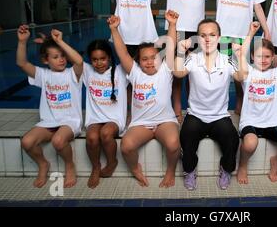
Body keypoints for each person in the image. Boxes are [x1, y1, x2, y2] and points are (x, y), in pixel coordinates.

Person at [108, 10, 180, 188]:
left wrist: (172, 24)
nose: (149, 62)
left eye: (153, 57)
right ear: (138, 62)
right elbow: (123, 53)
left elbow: (170, 46)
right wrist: (114, 30)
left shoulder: (166, 69)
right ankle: (135, 169)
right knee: (126, 146)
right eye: (144, 59)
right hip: (141, 123)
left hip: (165, 121)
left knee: (172, 144)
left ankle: (170, 171)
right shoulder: (135, 73)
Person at [200, 0, 271, 115]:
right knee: (221, 75)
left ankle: (241, 108)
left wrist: (267, 29)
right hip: (223, 35)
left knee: (242, 76)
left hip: (244, 35)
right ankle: (217, 111)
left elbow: (258, 6)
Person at [174, 19, 242, 190]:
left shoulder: (227, 60)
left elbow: (242, 77)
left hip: (219, 116)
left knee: (233, 140)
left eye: (212, 35)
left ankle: (226, 169)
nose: (207, 39)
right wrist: (181, 51)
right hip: (196, 115)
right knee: (186, 137)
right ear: (197, 39)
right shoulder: (192, 59)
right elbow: (178, 72)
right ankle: (190, 170)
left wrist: (240, 56)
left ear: (219, 38)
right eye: (203, 35)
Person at [16, 25, 83, 188]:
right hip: (48, 122)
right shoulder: (42, 75)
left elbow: (79, 60)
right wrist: (22, 42)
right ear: (46, 60)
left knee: (58, 141)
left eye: (62, 56)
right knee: (27, 142)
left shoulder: (72, 74)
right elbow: (22, 63)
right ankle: (43, 164)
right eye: (55, 57)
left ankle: (69, 165)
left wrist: (59, 41)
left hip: (69, 121)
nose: (61, 59)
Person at [236, 22, 277, 184]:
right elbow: (241, 55)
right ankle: (242, 165)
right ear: (252, 57)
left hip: (273, 122)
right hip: (251, 121)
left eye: (267, 57)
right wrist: (251, 32)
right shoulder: (248, 73)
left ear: (273, 58)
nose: (263, 60)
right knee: (250, 144)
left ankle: (275, 161)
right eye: (259, 56)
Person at [83, 39, 128, 188]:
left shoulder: (120, 72)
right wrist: (57, 41)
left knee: (106, 133)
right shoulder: (87, 71)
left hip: (114, 119)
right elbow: (75, 59)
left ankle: (111, 162)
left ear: (109, 57)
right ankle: (96, 167)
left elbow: (125, 54)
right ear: (90, 61)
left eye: (103, 58)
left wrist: (114, 30)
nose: (99, 63)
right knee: (91, 136)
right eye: (94, 60)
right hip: (95, 118)